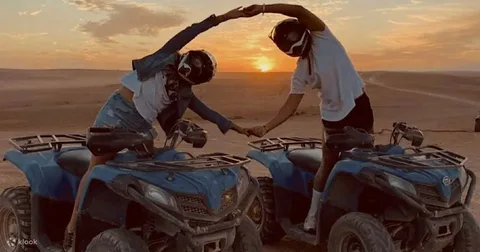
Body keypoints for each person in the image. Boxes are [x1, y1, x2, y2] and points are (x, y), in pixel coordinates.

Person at [63, 7, 250, 250]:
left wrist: (235, 126)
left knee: (151, 169)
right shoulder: (164, 57)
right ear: (185, 58)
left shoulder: (183, 92)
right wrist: (222, 18)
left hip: (142, 125)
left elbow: (206, 112)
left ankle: (149, 221)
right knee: (96, 167)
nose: (187, 70)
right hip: (116, 114)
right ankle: (72, 224)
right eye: (189, 64)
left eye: (194, 72)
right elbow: (189, 32)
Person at [242, 4, 374, 232]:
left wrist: (264, 8)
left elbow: (299, 10)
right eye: (288, 48)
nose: (294, 49)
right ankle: (313, 216)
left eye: (295, 43)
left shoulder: (323, 37)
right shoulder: (301, 70)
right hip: (332, 118)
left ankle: (364, 209)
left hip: (358, 106)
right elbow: (291, 105)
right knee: (328, 164)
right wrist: (266, 127)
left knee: (366, 159)